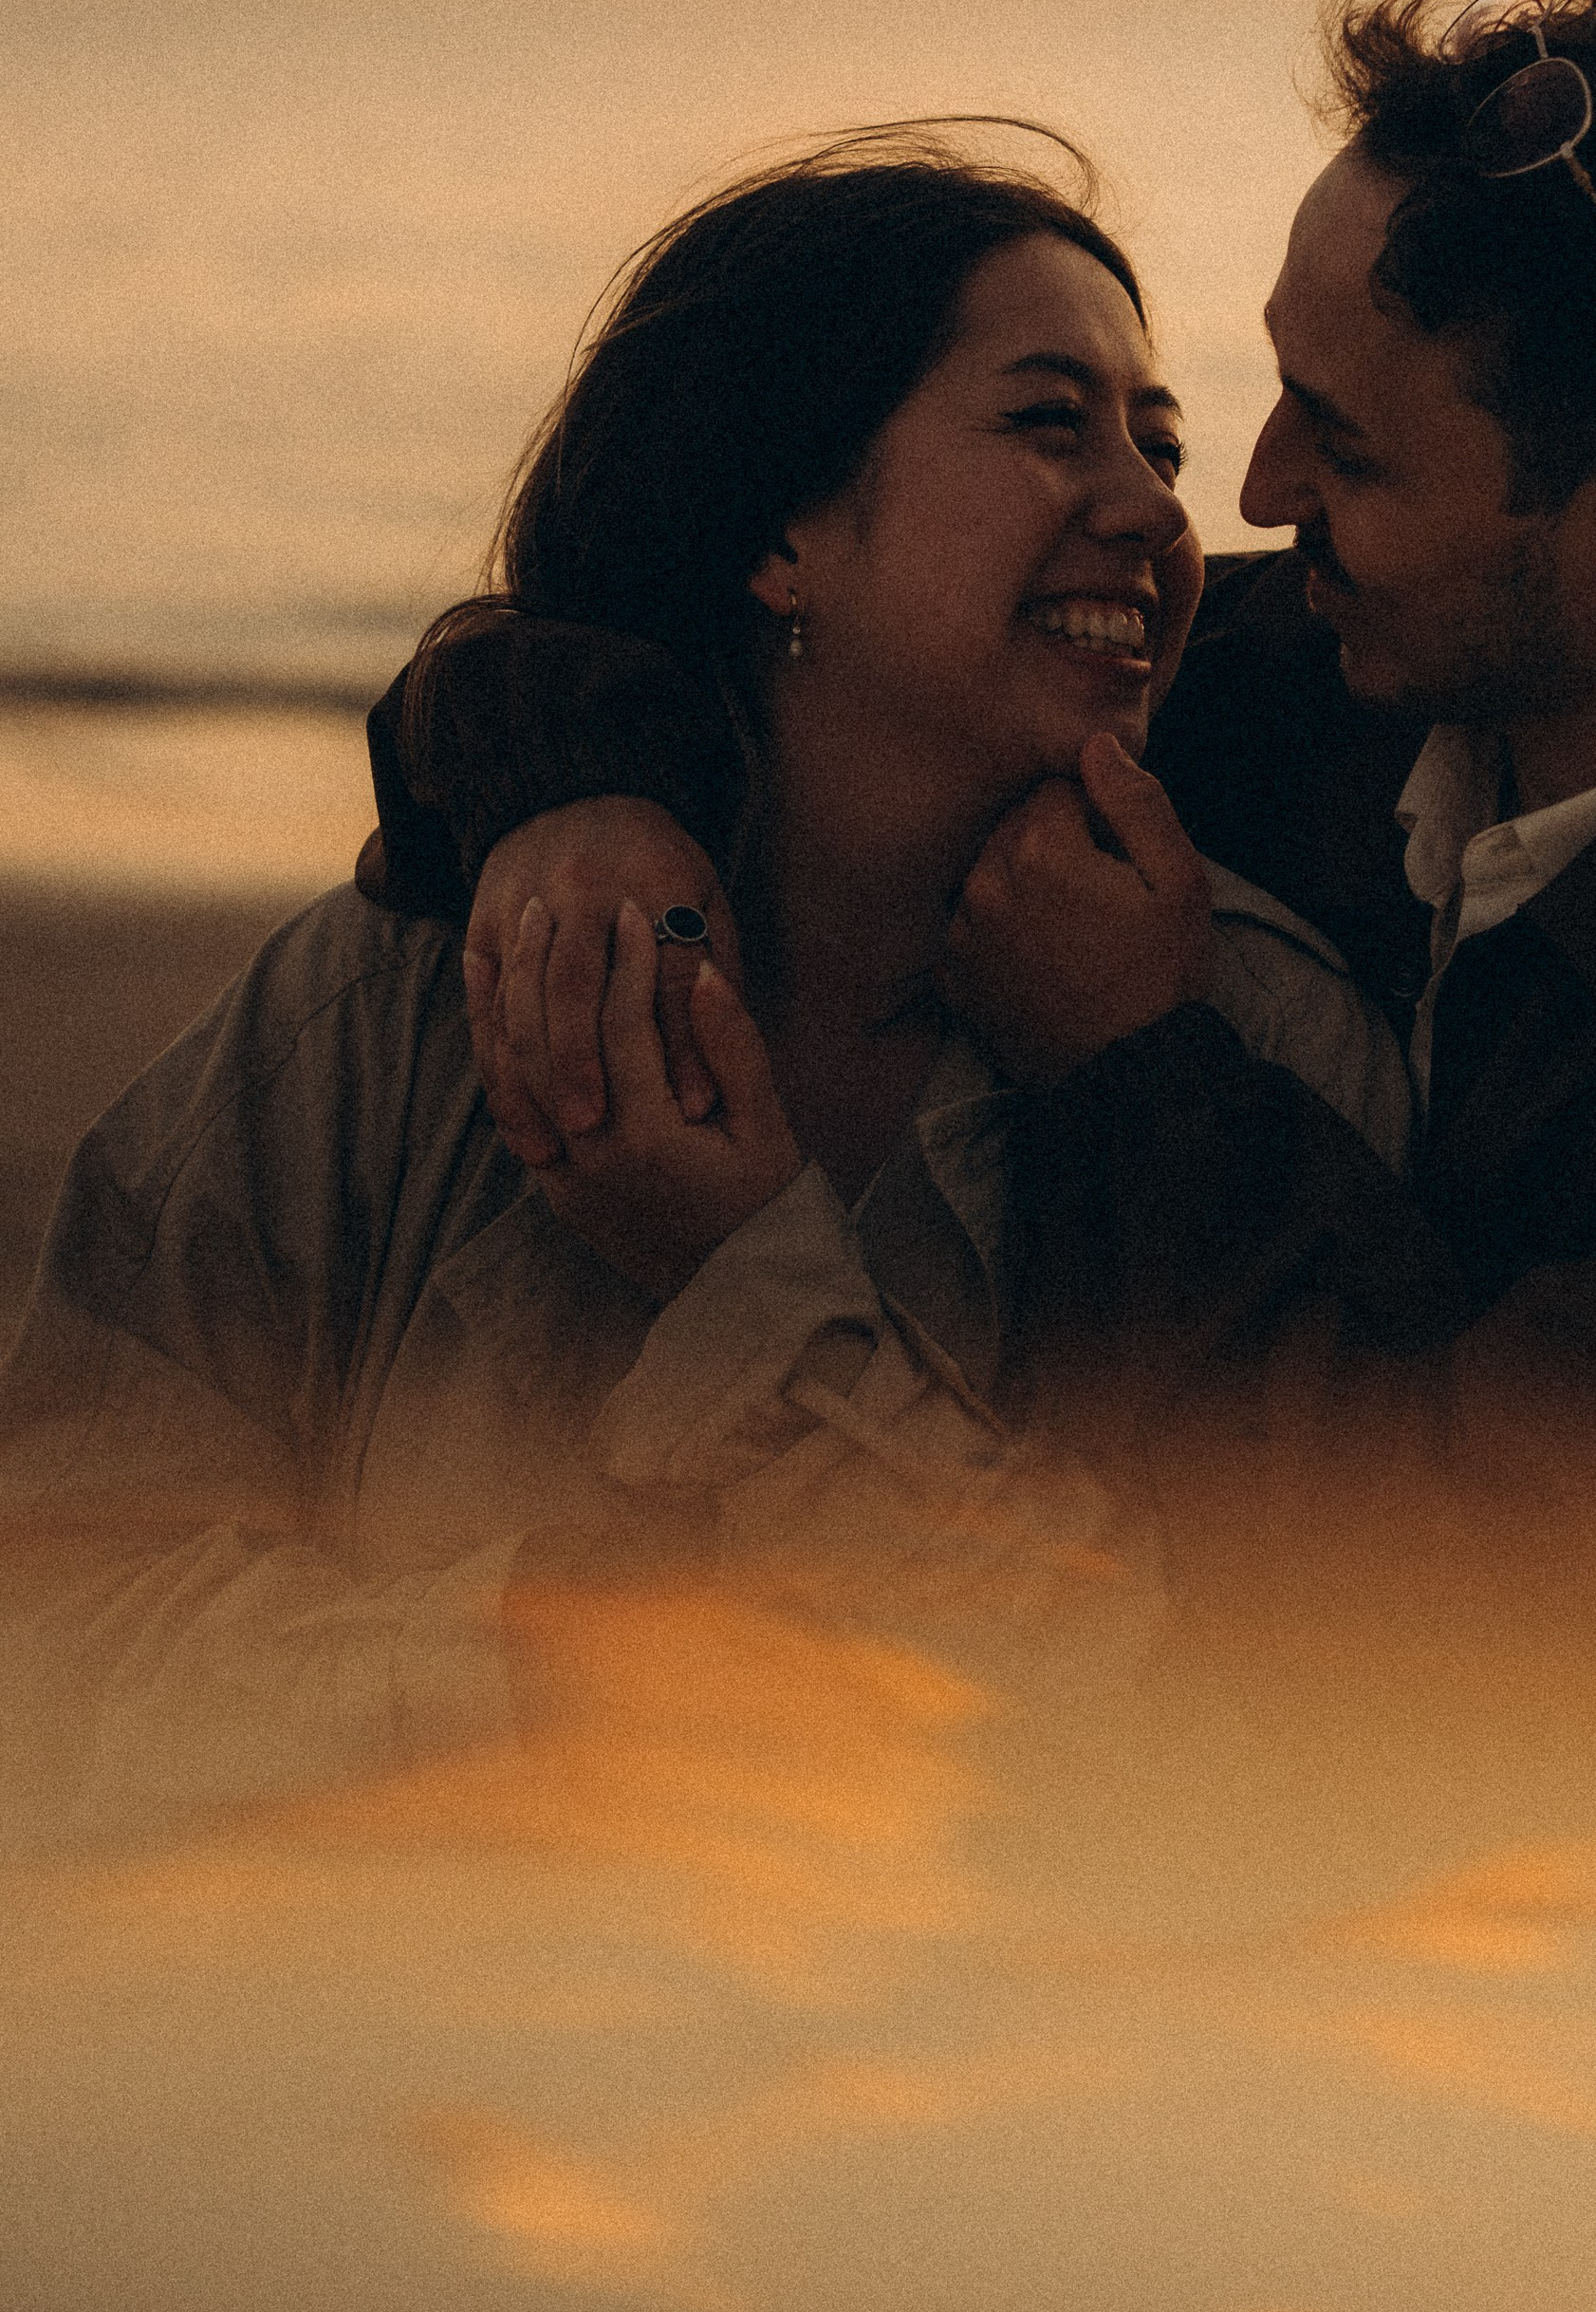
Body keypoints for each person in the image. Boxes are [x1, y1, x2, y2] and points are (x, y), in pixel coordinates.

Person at [358, 0, 1596, 1742]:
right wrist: (582, 790)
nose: (1258, 491)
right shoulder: (1340, 666)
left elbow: (1444, 1638)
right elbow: (749, 646)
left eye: (1345, 447)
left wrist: (1133, 1065)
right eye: (1279, 391)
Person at [0, 135, 1411, 1844]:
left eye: (1156, 442)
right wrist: (542, 1659)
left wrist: (747, 1288)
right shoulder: (397, 1002)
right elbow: (55, 1622)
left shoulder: (1250, 1038)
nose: (1155, 508)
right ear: (776, 534)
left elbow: (1247, 1729)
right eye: (1051, 423)